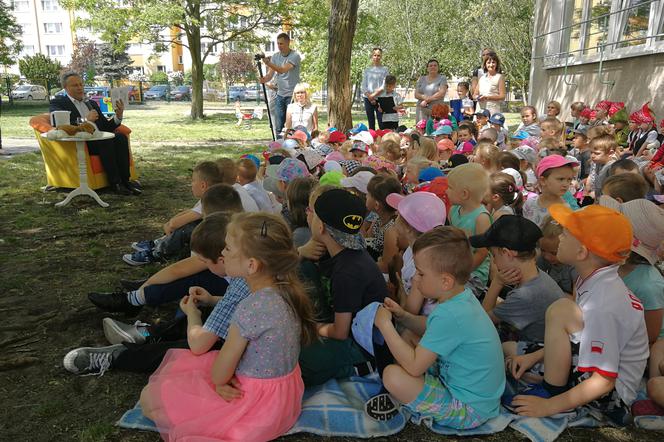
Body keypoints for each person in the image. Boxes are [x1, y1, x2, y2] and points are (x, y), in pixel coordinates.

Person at [138, 212, 317, 441]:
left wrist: (220, 383)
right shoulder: (288, 290)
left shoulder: (248, 308)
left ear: (251, 265)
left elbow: (219, 373)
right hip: (284, 400)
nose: (222, 253)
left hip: (254, 406)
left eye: (229, 249)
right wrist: (213, 299)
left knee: (149, 400)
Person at [506, 205, 648, 424]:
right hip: (596, 370)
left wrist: (548, 406)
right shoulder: (594, 279)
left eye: (566, 233)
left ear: (582, 252)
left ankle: (551, 391)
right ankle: (549, 383)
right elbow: (580, 336)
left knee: (560, 310)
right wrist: (534, 357)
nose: (560, 237)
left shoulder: (603, 302)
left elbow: (604, 380)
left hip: (613, 399)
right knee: (515, 354)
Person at [62, 212, 251, 376]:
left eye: (226, 250)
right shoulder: (246, 275)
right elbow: (237, 307)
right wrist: (210, 300)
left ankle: (118, 357)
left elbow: (199, 344)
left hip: (246, 357)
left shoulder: (239, 285)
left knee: (184, 349)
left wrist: (193, 315)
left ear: (224, 258)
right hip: (244, 341)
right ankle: (148, 334)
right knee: (202, 316)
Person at [375, 226, 505, 428]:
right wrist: (404, 316)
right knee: (409, 335)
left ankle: (405, 400)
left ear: (445, 281)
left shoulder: (449, 313)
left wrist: (385, 325)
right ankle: (413, 395)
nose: (414, 279)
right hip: (475, 393)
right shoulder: (459, 298)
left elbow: (415, 366)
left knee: (392, 376)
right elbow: (431, 327)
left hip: (469, 409)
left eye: (420, 273)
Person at [299, 188, 389, 386]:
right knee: (303, 267)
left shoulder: (346, 272)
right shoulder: (348, 253)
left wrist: (312, 328)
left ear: (321, 226)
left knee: (302, 359)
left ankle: (358, 366)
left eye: (313, 213)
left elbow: (340, 332)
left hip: (361, 343)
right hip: (344, 317)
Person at [471, 216, 564, 346]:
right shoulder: (538, 275)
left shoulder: (525, 295)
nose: (494, 261)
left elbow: (481, 323)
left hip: (538, 352)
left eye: (494, 255)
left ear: (507, 253)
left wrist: (496, 283)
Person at [50, 71, 138, 195]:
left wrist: (118, 116)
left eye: (81, 84)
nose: (80, 88)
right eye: (75, 85)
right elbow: (62, 124)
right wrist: (86, 120)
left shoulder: (91, 103)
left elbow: (106, 126)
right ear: (65, 88)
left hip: (99, 137)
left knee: (120, 137)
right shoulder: (58, 103)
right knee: (106, 140)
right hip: (82, 141)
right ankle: (115, 184)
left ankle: (126, 181)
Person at [124, 161, 225, 266]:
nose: (191, 184)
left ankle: (156, 254)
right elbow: (190, 211)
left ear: (203, 185)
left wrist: (170, 225)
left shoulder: (212, 200)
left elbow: (176, 224)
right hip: (216, 237)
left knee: (186, 229)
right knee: (187, 224)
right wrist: (170, 223)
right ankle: (159, 243)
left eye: (193, 180)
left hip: (214, 241)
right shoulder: (216, 194)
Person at [446, 163, 491, 297]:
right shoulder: (454, 210)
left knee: (449, 294)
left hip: (474, 273)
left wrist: (463, 273)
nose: (446, 191)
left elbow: (482, 253)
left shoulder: (481, 218)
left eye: (450, 187)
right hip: (456, 264)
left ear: (464, 194)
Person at [260, 33, 301, 137]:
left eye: (281, 43)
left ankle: (292, 147)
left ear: (288, 43)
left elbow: (282, 70)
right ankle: (278, 147)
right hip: (280, 95)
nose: (279, 46)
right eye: (278, 43)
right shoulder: (275, 56)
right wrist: (264, 79)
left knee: (291, 126)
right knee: (279, 126)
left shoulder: (295, 56)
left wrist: (268, 63)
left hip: (292, 96)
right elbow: (270, 75)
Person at [523, 155, 578, 228]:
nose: (566, 184)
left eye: (569, 179)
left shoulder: (566, 210)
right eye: (561, 179)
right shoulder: (530, 204)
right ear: (543, 181)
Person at [536, 216, 578, 297]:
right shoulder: (543, 260)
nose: (547, 257)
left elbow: (576, 300)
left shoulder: (574, 266)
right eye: (543, 250)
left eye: (554, 253)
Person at [361, 48, 389, 130]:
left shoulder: (385, 70)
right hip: (368, 99)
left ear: (381, 56)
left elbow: (384, 85)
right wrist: (369, 96)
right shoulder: (367, 70)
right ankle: (372, 141)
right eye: (375, 55)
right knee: (371, 123)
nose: (376, 57)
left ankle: (383, 141)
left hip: (381, 99)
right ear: (372, 56)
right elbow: (363, 85)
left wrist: (373, 96)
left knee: (382, 122)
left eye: (378, 55)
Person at [473, 52, 505, 116]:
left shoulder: (500, 77)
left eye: (493, 62)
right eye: (488, 63)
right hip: (480, 109)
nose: (491, 65)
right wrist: (478, 97)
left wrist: (487, 97)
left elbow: (502, 96)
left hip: (493, 110)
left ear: (496, 64)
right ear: (485, 65)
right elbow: (474, 95)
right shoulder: (482, 78)